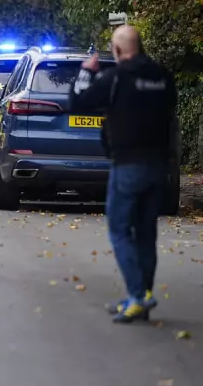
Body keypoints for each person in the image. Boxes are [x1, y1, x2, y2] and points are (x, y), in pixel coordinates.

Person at [69, 25, 177, 324]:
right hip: (158, 166)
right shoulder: (162, 76)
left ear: (117, 51)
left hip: (128, 164)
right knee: (145, 233)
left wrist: (86, 72)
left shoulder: (116, 77)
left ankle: (139, 295)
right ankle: (140, 297)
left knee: (119, 230)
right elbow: (170, 112)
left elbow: (78, 101)